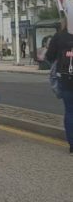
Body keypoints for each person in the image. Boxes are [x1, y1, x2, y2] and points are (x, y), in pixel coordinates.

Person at [45, 21, 73, 155]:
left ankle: (72, 145)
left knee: (70, 111)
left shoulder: (59, 36)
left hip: (66, 79)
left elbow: (49, 57)